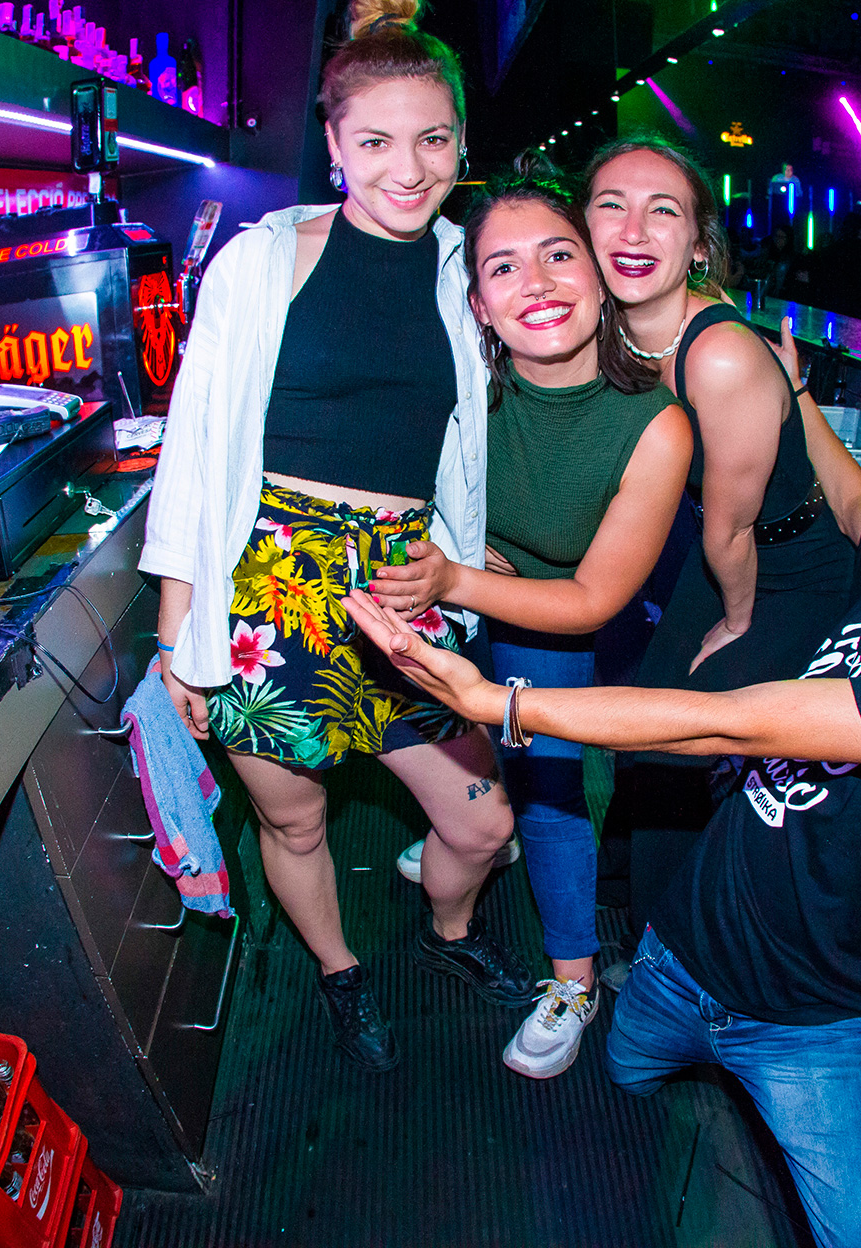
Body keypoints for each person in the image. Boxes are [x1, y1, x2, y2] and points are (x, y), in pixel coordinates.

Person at [340, 347, 861, 1248]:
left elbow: (736, 725)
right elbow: (850, 498)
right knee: (623, 1079)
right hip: (682, 952)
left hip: (809, 1019)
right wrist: (798, 393)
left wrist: (498, 703)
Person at [140, 0, 536, 1075]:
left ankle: (448, 930)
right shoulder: (260, 261)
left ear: (462, 140)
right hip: (270, 586)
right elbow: (194, 446)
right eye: (375, 142)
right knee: (297, 822)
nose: (407, 168)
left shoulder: (471, 268)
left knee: (483, 822)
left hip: (408, 584)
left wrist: (471, 544)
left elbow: (530, 385)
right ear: (332, 145)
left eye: (432, 139)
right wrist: (179, 627)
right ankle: (339, 968)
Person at [371, 158, 693, 1078]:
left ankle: (574, 980)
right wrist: (457, 547)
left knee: (554, 789)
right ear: (478, 304)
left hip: (568, 616)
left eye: (559, 255)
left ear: (597, 272)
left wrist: (459, 576)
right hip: (465, 596)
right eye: (504, 267)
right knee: (443, 740)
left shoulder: (656, 423)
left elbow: (592, 600)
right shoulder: (462, 389)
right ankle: (478, 819)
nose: (538, 284)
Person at [582, 134, 857, 942]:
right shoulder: (611, 324)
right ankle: (625, 894)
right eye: (611, 206)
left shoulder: (721, 356)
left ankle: (668, 948)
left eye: (662, 211)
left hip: (790, 568)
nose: (634, 231)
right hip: (726, 551)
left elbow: (732, 528)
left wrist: (735, 626)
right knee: (644, 725)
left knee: (678, 739)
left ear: (698, 245)